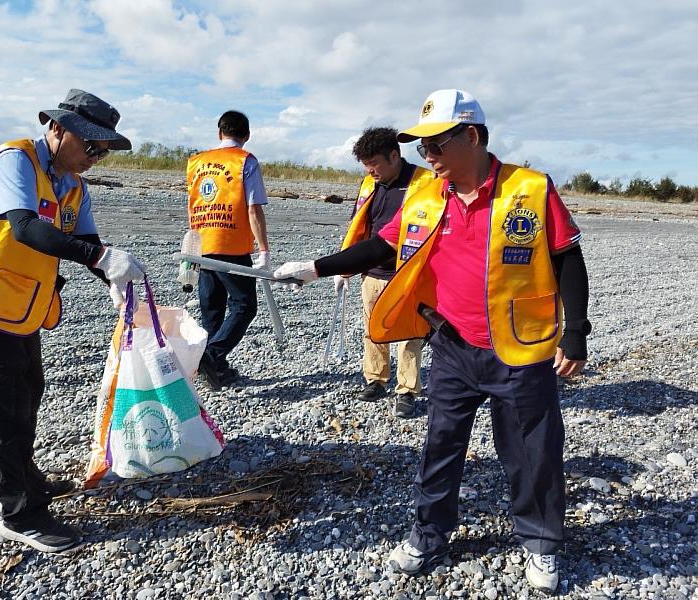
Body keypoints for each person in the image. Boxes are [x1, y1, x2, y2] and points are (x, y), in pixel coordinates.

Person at [274, 89, 590, 593]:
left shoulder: (530, 188)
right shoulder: (424, 195)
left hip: (521, 347)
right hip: (452, 346)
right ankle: (430, 534)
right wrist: (316, 268)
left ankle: (541, 543)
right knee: (440, 446)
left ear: (471, 136)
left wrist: (575, 335)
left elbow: (567, 257)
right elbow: (382, 244)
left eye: (436, 146)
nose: (429, 157)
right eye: (422, 149)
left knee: (532, 452)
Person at [0, 89, 146, 554]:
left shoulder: (73, 185)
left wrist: (108, 274)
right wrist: (101, 257)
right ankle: (20, 515)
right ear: (57, 128)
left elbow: (86, 238)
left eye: (103, 151)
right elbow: (25, 227)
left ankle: (28, 480)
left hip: (24, 311)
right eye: (90, 145)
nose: (95, 157)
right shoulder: (15, 160)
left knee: (28, 393)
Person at [339, 127, 436, 417]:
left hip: (409, 273)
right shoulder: (370, 185)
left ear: (394, 156)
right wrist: (346, 265)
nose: (370, 171)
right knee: (372, 328)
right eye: (366, 166)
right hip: (373, 272)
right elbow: (359, 225)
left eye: (374, 164)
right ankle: (375, 379)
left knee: (409, 334)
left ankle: (407, 389)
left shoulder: (427, 183)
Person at [187, 110, 270, 390]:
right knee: (244, 305)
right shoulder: (245, 161)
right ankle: (210, 357)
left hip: (201, 243)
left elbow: (193, 204)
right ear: (246, 136)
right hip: (231, 244)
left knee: (212, 309)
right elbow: (253, 208)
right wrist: (264, 251)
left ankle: (215, 370)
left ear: (219, 132)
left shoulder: (196, 162)